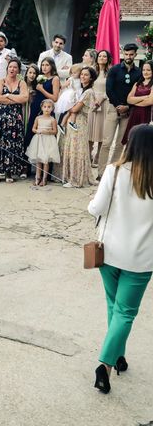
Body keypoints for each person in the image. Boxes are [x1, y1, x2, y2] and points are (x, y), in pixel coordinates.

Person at [88, 124, 153, 394]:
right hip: (142, 257)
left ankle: (114, 356)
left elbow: (96, 207)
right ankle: (106, 362)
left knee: (115, 306)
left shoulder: (114, 171)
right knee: (124, 312)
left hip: (110, 251)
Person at [97, 43, 142, 178]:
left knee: (120, 143)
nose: (128, 57)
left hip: (128, 111)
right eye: (126, 54)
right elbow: (109, 89)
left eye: (131, 54)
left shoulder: (139, 72)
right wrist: (118, 106)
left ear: (135, 55)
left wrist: (127, 107)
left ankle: (112, 172)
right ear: (123, 54)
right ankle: (101, 173)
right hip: (113, 108)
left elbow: (138, 93)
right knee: (106, 142)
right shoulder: (115, 69)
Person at [0, 58, 29, 183]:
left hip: (15, 119)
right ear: (7, 68)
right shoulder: (1, 81)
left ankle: (9, 172)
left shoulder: (22, 83)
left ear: (18, 69)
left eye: (15, 67)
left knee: (11, 144)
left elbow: (24, 98)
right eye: (10, 67)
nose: (12, 69)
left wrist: (8, 96)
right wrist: (14, 99)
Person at [61, 66, 97, 188]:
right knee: (72, 147)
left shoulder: (88, 92)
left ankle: (76, 179)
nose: (82, 76)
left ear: (91, 78)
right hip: (74, 120)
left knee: (77, 149)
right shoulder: (80, 90)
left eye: (86, 75)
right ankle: (70, 176)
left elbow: (76, 108)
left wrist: (67, 107)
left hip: (80, 122)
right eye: (81, 74)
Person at [24, 57, 60, 152]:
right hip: (35, 106)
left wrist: (42, 90)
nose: (44, 67)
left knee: (45, 135)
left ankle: (46, 163)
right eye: (43, 65)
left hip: (46, 110)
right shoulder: (39, 77)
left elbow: (55, 98)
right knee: (31, 131)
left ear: (52, 66)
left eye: (47, 65)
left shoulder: (55, 79)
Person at [26, 99, 60, 187]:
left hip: (48, 141)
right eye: (45, 107)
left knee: (45, 161)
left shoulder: (52, 120)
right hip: (39, 139)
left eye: (49, 107)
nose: (47, 109)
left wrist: (48, 132)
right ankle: (37, 177)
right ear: (41, 108)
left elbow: (55, 131)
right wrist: (37, 131)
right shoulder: (38, 118)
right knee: (38, 160)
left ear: (52, 108)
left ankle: (44, 178)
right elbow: (33, 128)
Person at [122, 60, 153, 145]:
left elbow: (150, 101)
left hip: (146, 114)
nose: (145, 72)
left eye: (148, 70)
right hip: (134, 114)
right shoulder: (137, 84)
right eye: (143, 70)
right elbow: (128, 99)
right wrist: (144, 97)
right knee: (131, 141)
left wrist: (134, 101)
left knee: (143, 142)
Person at [89, 50, 111, 166]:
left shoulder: (110, 72)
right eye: (100, 56)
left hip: (104, 102)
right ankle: (88, 155)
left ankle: (98, 156)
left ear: (108, 59)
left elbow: (111, 88)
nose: (102, 58)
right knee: (90, 129)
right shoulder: (91, 70)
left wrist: (101, 99)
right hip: (91, 101)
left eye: (104, 56)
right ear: (97, 58)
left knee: (102, 130)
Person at [55, 63, 83, 131]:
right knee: (71, 110)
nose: (73, 74)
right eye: (72, 73)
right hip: (71, 95)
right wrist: (62, 86)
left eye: (75, 73)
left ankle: (62, 124)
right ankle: (71, 123)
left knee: (71, 111)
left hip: (78, 94)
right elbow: (63, 85)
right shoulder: (71, 79)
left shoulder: (81, 79)